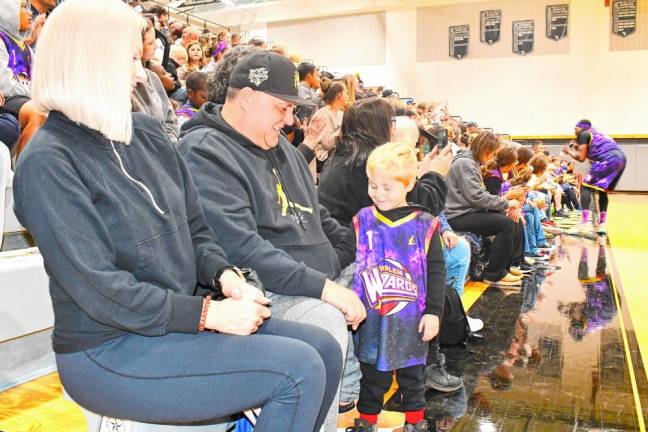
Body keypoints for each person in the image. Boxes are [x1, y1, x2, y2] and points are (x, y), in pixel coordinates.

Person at [12, 1, 342, 431]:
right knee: (297, 368)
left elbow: (196, 231)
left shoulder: (147, 134)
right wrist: (208, 315)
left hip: (174, 324)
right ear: (88, 61)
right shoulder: (48, 161)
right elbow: (101, 290)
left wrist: (226, 277)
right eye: (131, 59)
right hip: (108, 348)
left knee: (324, 349)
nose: (140, 73)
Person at [178, 50, 366, 432]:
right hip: (261, 292)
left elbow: (318, 216)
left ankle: (362, 399)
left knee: (391, 278)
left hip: (316, 276)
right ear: (247, 97)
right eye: (282, 108)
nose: (290, 120)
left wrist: (361, 247)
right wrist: (325, 287)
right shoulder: (203, 151)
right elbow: (240, 249)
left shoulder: (281, 148)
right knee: (326, 319)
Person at [318, 98, 465, 394]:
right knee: (431, 290)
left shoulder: (347, 156)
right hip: (356, 257)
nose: (393, 127)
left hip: (353, 248)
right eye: (391, 122)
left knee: (443, 273)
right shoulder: (367, 164)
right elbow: (419, 212)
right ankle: (427, 363)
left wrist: (419, 174)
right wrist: (434, 175)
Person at [344, 142, 444, 432]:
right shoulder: (362, 220)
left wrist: (434, 312)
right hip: (371, 317)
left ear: (409, 184)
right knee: (372, 378)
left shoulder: (425, 224)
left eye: (387, 187)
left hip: (412, 318)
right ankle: (366, 422)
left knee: (413, 376)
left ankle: (415, 423)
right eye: (373, 185)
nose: (378, 193)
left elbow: (437, 271)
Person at [445, 131, 523, 286]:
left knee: (510, 219)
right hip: (457, 215)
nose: (493, 157)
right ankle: (494, 274)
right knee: (505, 224)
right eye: (492, 153)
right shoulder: (466, 164)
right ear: (485, 150)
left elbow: (479, 194)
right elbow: (476, 197)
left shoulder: (470, 162)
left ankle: (504, 268)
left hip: (466, 211)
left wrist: (503, 206)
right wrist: (505, 203)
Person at [563, 119, 626, 235]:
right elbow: (590, 153)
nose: (574, 131)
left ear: (582, 127)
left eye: (575, 128)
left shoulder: (583, 134)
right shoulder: (598, 134)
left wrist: (569, 151)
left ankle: (585, 222)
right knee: (602, 191)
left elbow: (581, 158)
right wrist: (576, 147)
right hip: (621, 159)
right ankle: (602, 225)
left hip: (607, 159)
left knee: (585, 187)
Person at [132, 18, 179, 144]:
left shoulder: (152, 77)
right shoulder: (124, 86)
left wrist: (168, 142)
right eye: (151, 42)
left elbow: (171, 119)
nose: (157, 45)